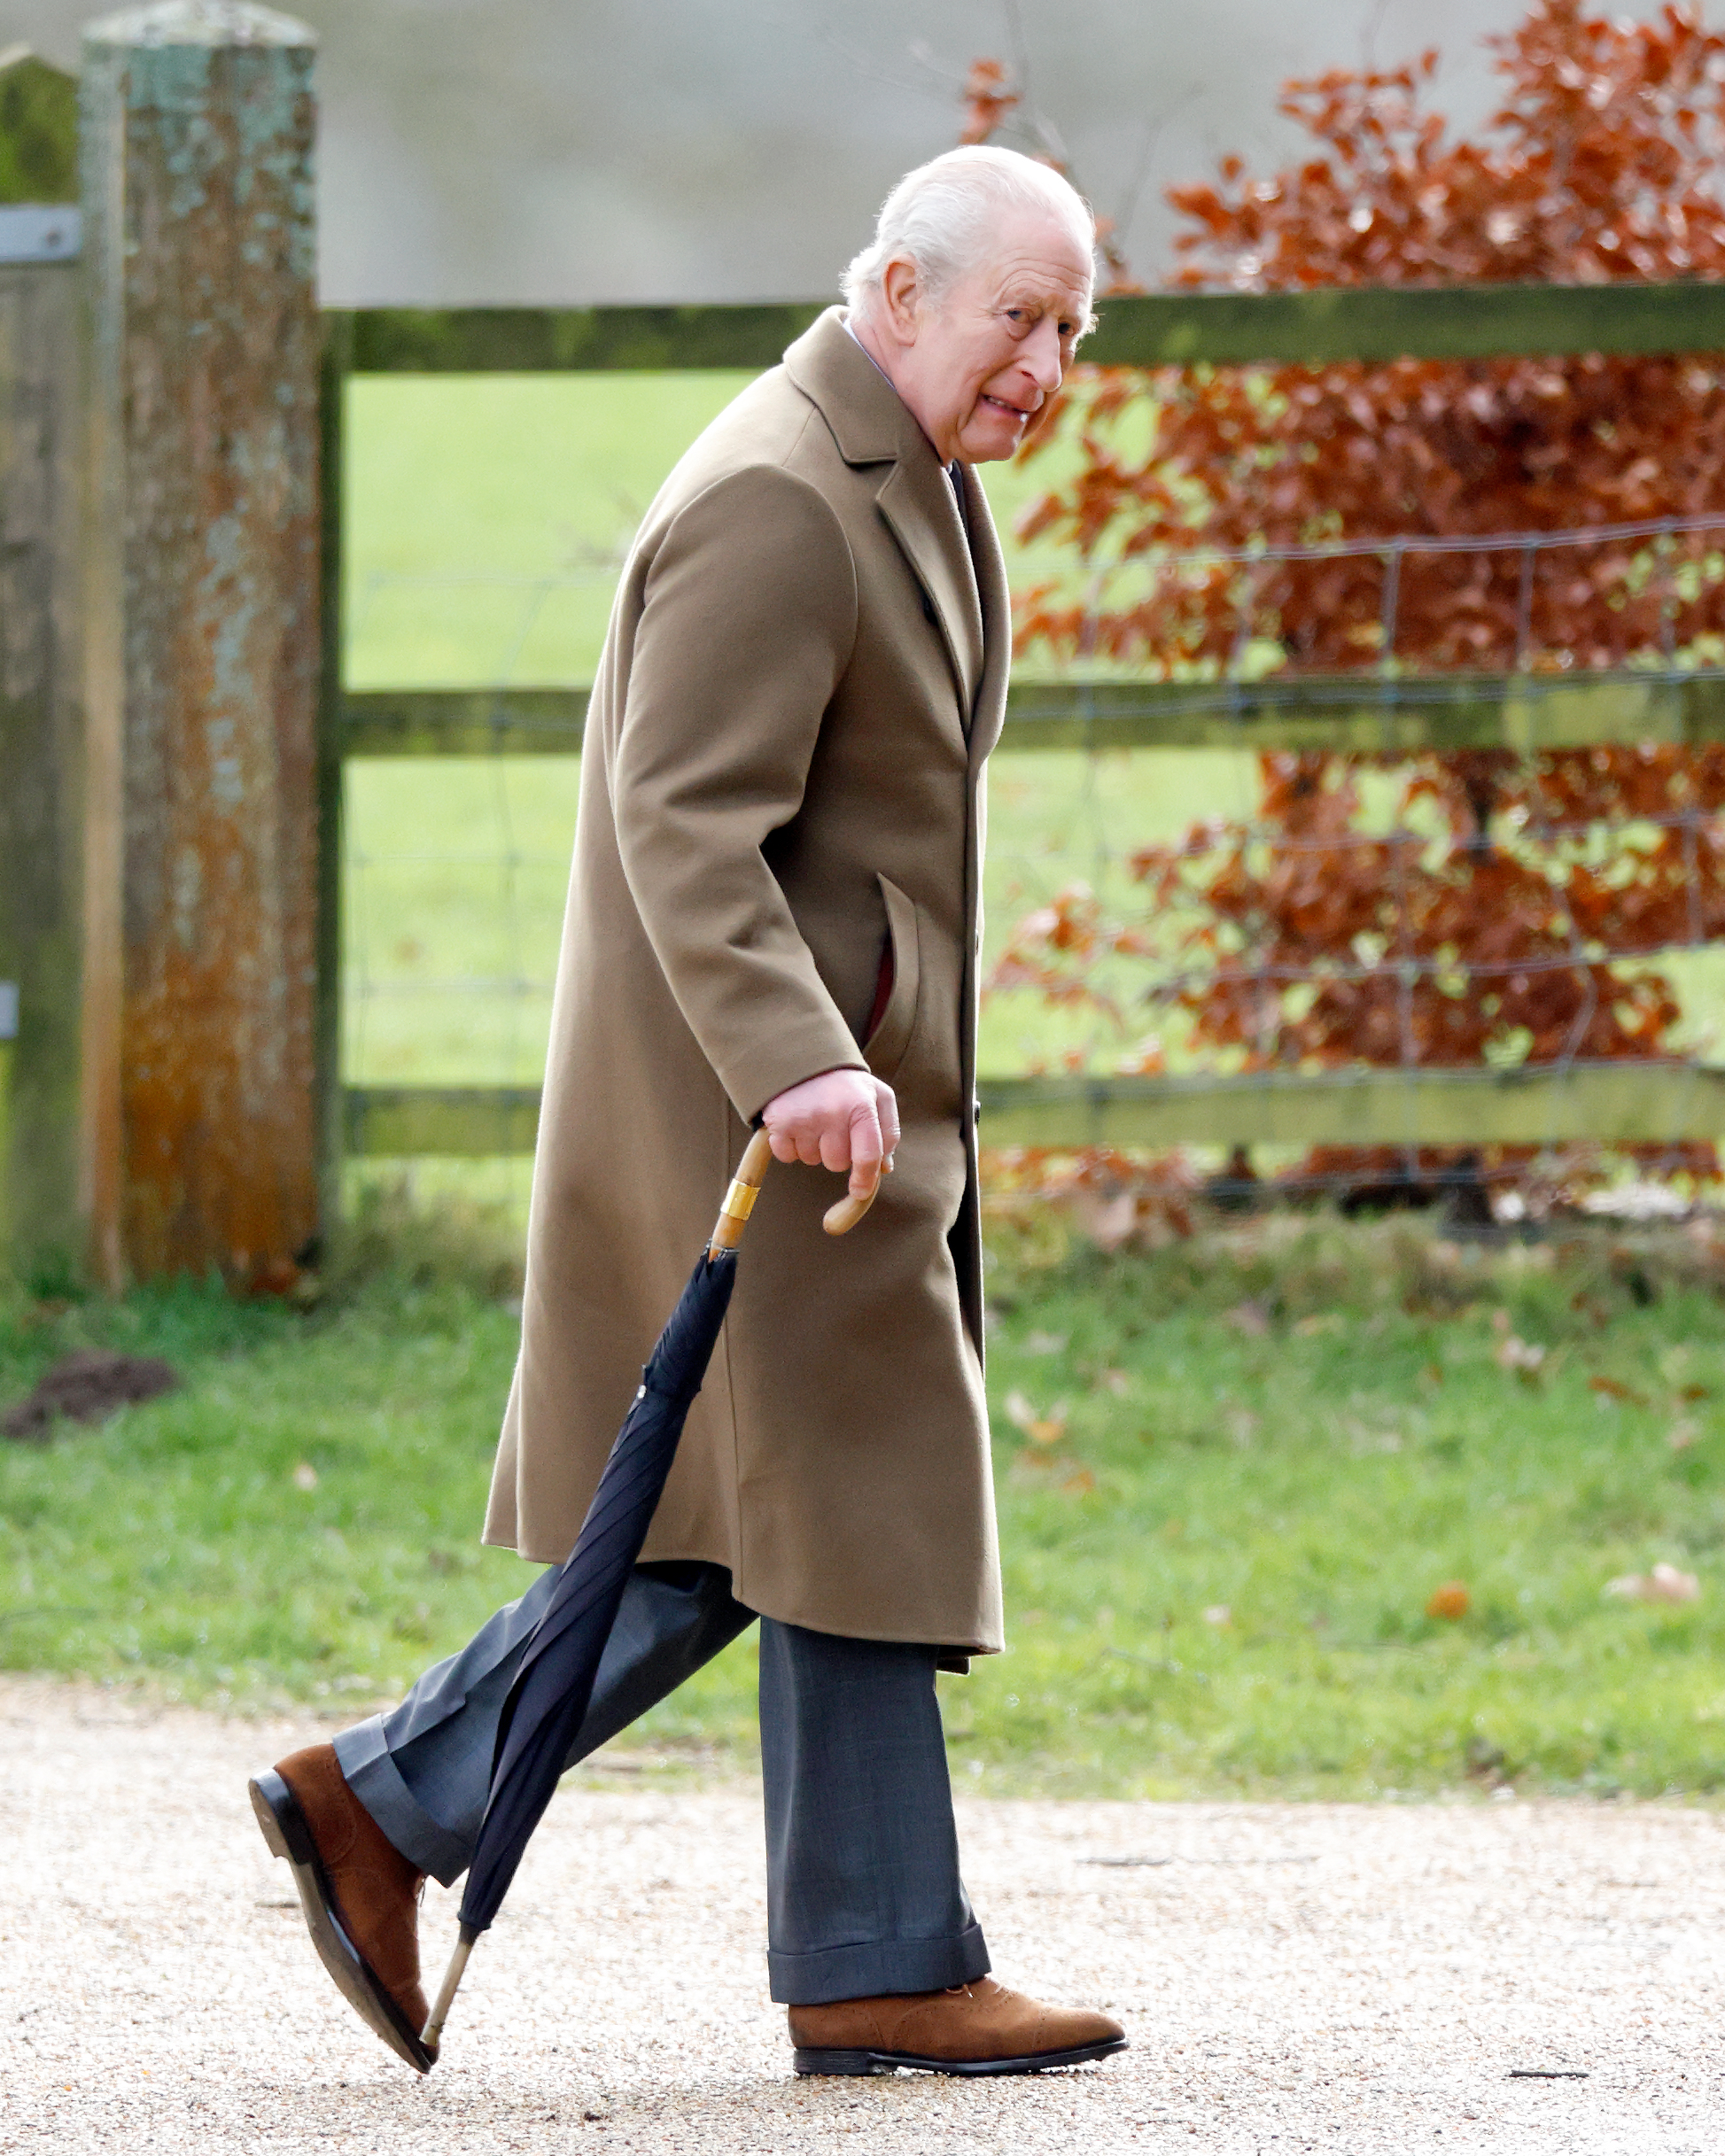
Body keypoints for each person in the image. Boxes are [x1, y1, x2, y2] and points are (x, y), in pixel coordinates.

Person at [250, 144, 1126, 2082]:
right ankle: (397, 1802)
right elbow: (684, 818)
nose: (1047, 363)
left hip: (840, 1094)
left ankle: (860, 1946)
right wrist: (801, 1054)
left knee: (802, 1505)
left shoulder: (904, 470)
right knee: (773, 1506)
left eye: (1074, 328)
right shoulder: (777, 495)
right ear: (898, 290)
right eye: (1018, 318)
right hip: (766, 1109)